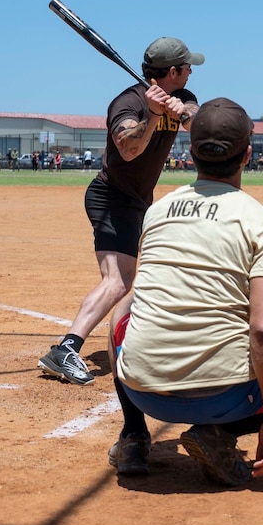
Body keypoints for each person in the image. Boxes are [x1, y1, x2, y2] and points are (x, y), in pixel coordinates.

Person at [112, 97, 263, 486]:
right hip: (219, 396)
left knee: (123, 306)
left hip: (142, 390)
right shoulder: (261, 221)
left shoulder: (158, 210)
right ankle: (220, 434)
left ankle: (133, 434)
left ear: (191, 153)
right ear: (247, 154)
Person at [37, 38, 201, 399]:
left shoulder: (184, 94)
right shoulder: (127, 103)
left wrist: (179, 110)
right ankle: (65, 349)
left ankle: (143, 337)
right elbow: (128, 150)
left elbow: (198, 124)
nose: (191, 71)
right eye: (187, 66)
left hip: (138, 201)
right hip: (112, 198)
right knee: (117, 281)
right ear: (172, 71)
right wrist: (155, 114)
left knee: (134, 277)